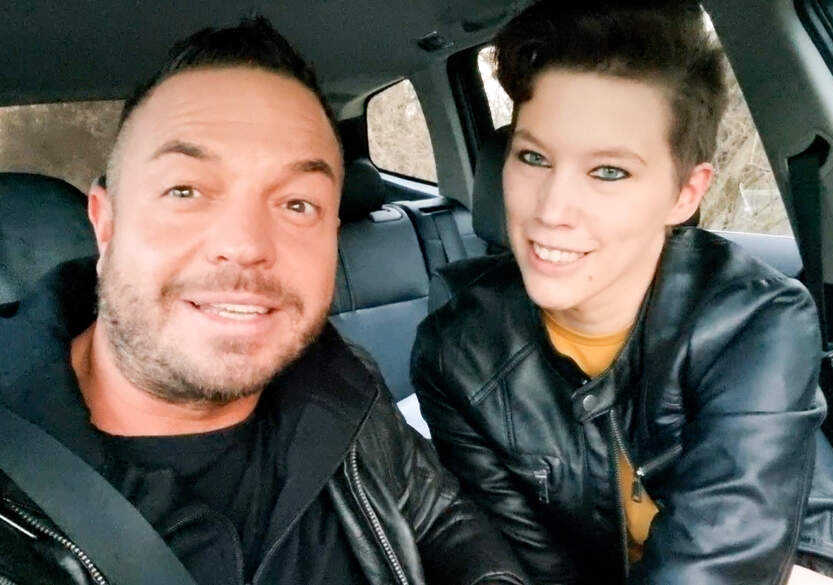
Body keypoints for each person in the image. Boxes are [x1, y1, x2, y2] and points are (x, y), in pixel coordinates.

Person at [0, 17, 528, 585]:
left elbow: (441, 521)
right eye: (185, 190)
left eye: (298, 204)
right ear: (106, 226)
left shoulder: (344, 382)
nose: (246, 244)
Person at [411, 2, 833, 584]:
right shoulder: (456, 352)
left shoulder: (754, 318)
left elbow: (724, 565)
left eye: (609, 171)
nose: (551, 210)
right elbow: (536, 568)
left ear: (684, 194)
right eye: (533, 157)